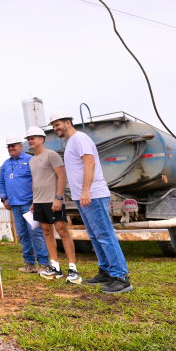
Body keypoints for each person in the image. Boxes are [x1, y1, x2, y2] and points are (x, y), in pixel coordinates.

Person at [49, 110, 133, 294]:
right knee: (95, 236)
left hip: (93, 194)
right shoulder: (71, 142)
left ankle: (121, 277)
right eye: (53, 126)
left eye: (58, 124)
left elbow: (90, 163)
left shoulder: (80, 139)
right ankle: (106, 271)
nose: (55, 128)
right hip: (84, 197)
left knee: (104, 235)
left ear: (68, 122)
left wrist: (86, 190)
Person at [25, 126, 81, 284]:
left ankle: (73, 270)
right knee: (47, 233)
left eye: (33, 138)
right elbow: (35, 181)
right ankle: (55, 267)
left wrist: (58, 198)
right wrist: (33, 201)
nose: (30, 140)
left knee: (63, 232)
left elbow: (62, 176)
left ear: (41, 139)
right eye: (29, 139)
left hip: (53, 200)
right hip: (39, 202)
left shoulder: (51, 154)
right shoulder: (31, 160)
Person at [0, 135, 49, 274]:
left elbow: (37, 180)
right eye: (9, 146)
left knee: (36, 233)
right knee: (22, 234)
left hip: (29, 205)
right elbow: (2, 182)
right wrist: (4, 199)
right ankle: (29, 264)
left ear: (21, 146)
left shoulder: (30, 160)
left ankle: (44, 264)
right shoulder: (5, 164)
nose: (11, 148)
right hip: (15, 205)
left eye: (14, 145)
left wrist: (35, 201)